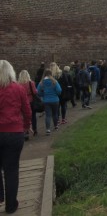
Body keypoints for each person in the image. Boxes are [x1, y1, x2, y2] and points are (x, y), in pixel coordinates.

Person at [0, 60, 31, 214]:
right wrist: (26, 125)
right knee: (11, 170)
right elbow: (26, 110)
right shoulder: (18, 89)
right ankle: (11, 205)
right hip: (14, 132)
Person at [37, 69, 62, 135]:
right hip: (55, 100)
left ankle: (48, 129)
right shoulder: (54, 81)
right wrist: (55, 94)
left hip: (46, 100)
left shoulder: (41, 82)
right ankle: (56, 126)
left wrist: (43, 95)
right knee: (55, 114)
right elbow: (59, 90)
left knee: (48, 115)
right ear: (51, 74)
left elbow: (38, 92)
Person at [18, 70, 39, 137]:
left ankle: (26, 132)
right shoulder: (31, 83)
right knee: (33, 116)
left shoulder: (18, 84)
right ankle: (35, 129)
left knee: (24, 117)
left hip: (22, 102)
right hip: (31, 101)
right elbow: (35, 92)